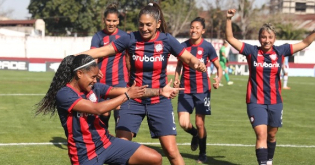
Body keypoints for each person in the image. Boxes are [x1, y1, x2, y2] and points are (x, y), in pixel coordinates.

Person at [77, 3, 206, 165]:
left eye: (148, 25)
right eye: (141, 24)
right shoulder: (130, 39)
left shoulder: (166, 40)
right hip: (133, 101)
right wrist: (75, 57)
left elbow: (187, 57)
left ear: (158, 24)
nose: (144, 28)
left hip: (160, 101)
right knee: (122, 149)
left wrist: (197, 63)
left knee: (172, 153)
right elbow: (103, 51)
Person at [35, 54, 184, 165]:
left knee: (155, 158)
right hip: (85, 154)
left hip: (108, 143)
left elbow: (128, 90)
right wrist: (127, 95)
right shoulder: (65, 94)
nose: (95, 80)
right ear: (79, 74)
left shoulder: (95, 87)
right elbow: (97, 109)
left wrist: (159, 91)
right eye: (93, 77)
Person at [225, 9, 315, 165]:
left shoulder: (281, 51)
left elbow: (305, 42)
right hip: (255, 101)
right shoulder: (251, 51)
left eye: (270, 37)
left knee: (271, 136)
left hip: (275, 102)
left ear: (274, 39)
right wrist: (228, 19)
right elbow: (230, 38)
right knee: (261, 135)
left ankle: (269, 160)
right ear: (259, 38)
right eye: (263, 37)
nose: (266, 40)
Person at [173, 17, 222, 164]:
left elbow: (218, 66)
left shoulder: (207, 47)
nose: (194, 30)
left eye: (197, 28)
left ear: (203, 31)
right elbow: (179, 66)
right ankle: (194, 134)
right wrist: (176, 79)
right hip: (185, 89)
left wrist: (218, 79)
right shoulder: (182, 46)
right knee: (183, 123)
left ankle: (202, 153)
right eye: (192, 27)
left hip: (202, 90)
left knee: (200, 123)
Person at [90, 3, 128, 128]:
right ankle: (104, 140)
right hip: (103, 82)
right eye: (108, 20)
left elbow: (128, 58)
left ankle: (120, 142)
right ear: (104, 20)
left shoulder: (124, 36)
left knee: (120, 112)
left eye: (114, 21)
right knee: (104, 113)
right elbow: (93, 56)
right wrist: (94, 71)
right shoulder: (98, 36)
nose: (111, 23)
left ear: (118, 21)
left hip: (120, 81)